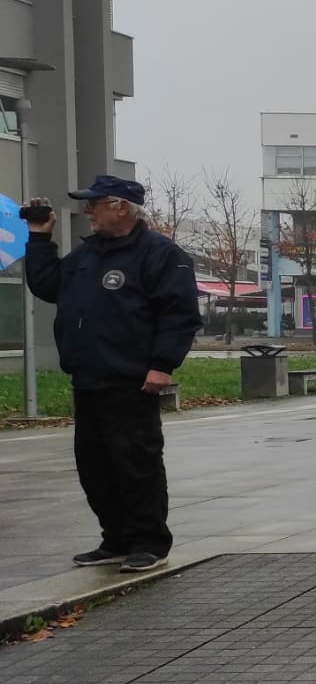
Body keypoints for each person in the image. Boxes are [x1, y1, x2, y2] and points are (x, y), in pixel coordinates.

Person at [23, 175, 201, 573]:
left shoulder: (160, 254)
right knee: (95, 466)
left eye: (95, 203)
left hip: (131, 380)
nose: (88, 210)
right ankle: (116, 538)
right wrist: (39, 237)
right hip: (88, 378)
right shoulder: (87, 255)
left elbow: (180, 314)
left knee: (135, 463)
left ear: (122, 207)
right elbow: (48, 285)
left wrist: (162, 364)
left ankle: (149, 542)